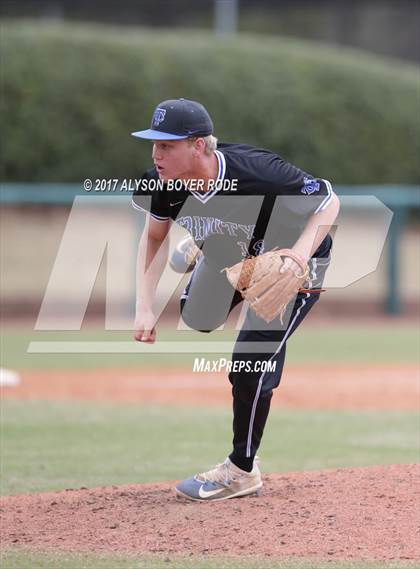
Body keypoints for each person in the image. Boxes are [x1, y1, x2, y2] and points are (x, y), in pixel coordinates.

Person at [131, 98, 340, 502]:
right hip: (234, 255)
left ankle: (241, 470)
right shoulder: (161, 183)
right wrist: (144, 305)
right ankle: (205, 244)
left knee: (249, 365)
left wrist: (298, 255)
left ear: (199, 146)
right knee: (198, 318)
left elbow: (330, 202)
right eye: (154, 144)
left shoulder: (259, 172)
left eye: (167, 145)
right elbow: (154, 237)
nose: (156, 154)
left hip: (290, 266)